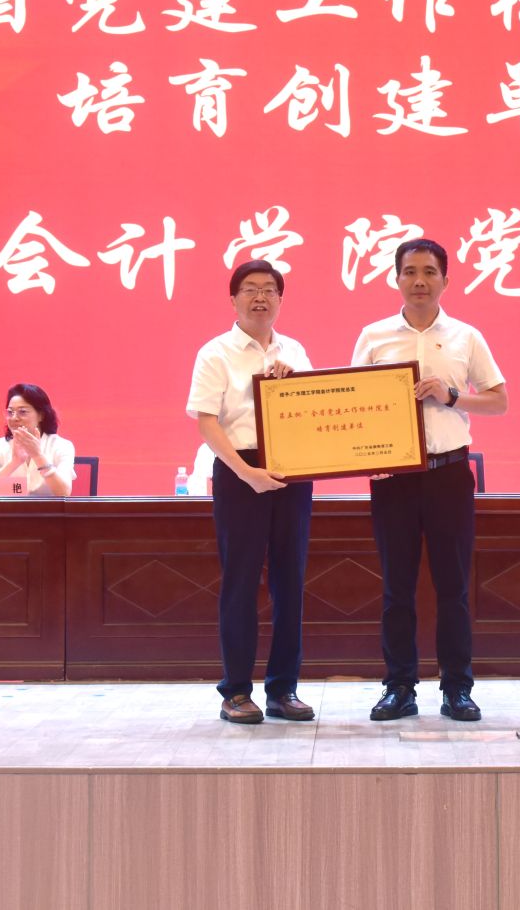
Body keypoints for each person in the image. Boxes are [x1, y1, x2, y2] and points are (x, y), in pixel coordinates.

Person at [352, 238, 508, 723]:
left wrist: (451, 395)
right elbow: (355, 404)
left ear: (445, 279)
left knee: (453, 588)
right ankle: (399, 687)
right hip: (393, 478)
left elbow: (499, 400)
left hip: (449, 475)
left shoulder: (466, 337)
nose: (419, 281)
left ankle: (457, 688)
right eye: (410, 272)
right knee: (396, 589)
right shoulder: (374, 336)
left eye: (429, 272)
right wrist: (367, 453)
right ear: (396, 278)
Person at [186, 259, 314, 725]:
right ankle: (236, 691)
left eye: (269, 290)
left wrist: (296, 382)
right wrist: (246, 473)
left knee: (290, 583)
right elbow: (206, 422)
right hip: (239, 472)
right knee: (241, 583)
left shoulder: (295, 350)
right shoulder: (215, 353)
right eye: (250, 289)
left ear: (281, 299)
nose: (260, 297)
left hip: (293, 471)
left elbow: (315, 409)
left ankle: (283, 689)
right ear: (233, 299)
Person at [0, 384, 74, 496]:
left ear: (41, 415)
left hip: (48, 508)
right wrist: (14, 462)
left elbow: (64, 493)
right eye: (10, 412)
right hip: (10, 507)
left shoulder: (61, 446)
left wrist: (38, 456)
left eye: (22, 412)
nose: (14, 418)